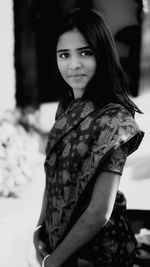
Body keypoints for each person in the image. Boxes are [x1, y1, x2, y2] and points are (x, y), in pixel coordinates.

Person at [33, 7, 144, 267]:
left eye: (85, 52)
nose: (73, 65)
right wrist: (40, 227)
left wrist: (53, 262)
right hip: (56, 239)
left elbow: (98, 212)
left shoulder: (115, 120)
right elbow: (54, 175)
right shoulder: (67, 106)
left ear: (102, 54)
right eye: (64, 55)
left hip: (98, 252)